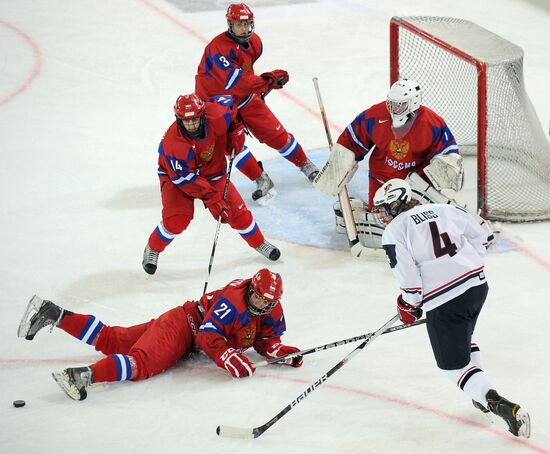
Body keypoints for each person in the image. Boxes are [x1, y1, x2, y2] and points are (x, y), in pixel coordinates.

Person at [371, 178, 530, 438]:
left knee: (452, 366)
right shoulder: (441, 208)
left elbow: (409, 278)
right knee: (464, 338)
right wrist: (466, 265)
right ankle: (479, 396)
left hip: (447, 303)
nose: (379, 214)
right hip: (477, 288)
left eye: (382, 208)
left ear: (395, 204)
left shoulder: (395, 231)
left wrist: (409, 305)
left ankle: (496, 403)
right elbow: (482, 233)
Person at [17, 269, 303, 401]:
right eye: (260, 300)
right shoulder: (234, 301)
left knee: (112, 340)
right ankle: (81, 376)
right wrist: (225, 354)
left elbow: (266, 338)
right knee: (141, 364)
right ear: (251, 289)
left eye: (269, 303)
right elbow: (207, 336)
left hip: (179, 320)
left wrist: (278, 351)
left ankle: (51, 312)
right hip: (184, 328)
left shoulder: (270, 309)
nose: (263, 306)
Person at [314, 79, 492, 252]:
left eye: (399, 105)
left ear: (413, 103)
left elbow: (447, 152)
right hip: (382, 180)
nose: (393, 108)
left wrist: (447, 165)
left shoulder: (430, 122)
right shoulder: (375, 115)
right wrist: (342, 159)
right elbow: (352, 139)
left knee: (424, 224)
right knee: (383, 226)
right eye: (391, 103)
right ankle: (351, 212)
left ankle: (466, 222)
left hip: (415, 182)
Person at [142, 93, 280, 275]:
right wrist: (214, 200)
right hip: (178, 178)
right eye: (186, 121)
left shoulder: (217, 114)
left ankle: (259, 242)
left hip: (214, 172)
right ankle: (153, 248)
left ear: (203, 115)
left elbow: (232, 106)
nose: (191, 125)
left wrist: (236, 131)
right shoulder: (175, 145)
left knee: (238, 215)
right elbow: (187, 181)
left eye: (195, 120)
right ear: (178, 119)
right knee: (177, 219)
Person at [194, 3, 319, 203]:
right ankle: (261, 179)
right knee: (232, 145)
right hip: (216, 102)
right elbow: (238, 83)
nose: (244, 29)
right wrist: (266, 82)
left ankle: (306, 165)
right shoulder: (217, 49)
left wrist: (265, 85)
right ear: (230, 24)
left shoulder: (255, 43)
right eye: (239, 25)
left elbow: (245, 77)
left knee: (275, 133)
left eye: (247, 24)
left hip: (244, 97)